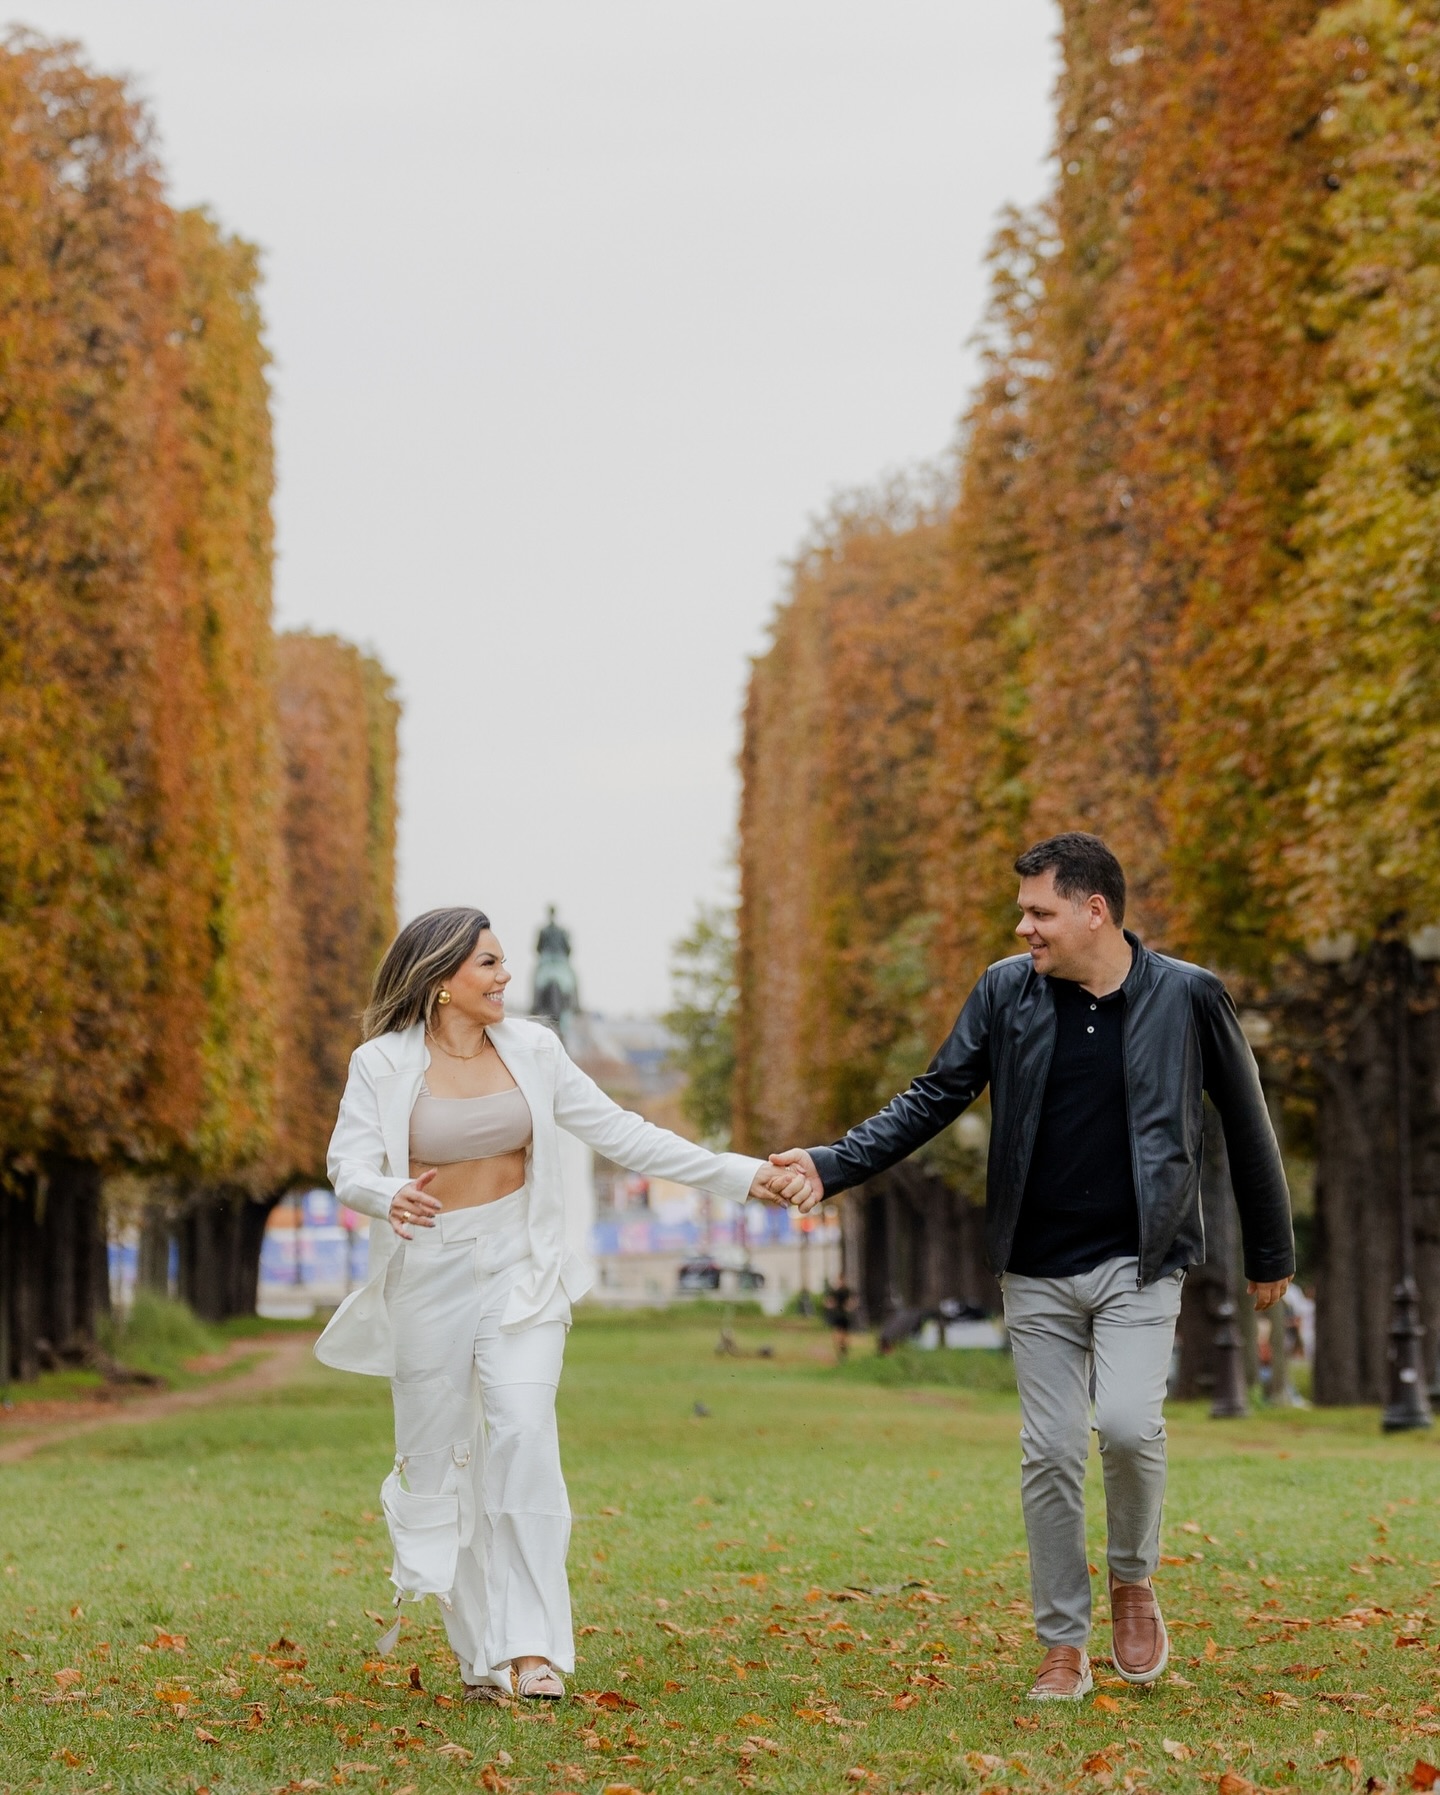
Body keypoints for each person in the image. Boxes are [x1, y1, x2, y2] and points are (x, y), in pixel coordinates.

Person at [772, 834, 1293, 1703]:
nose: (1024, 927)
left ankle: (1132, 1580)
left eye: (1039, 910)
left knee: (1127, 1425)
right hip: (1038, 1268)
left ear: (1096, 910)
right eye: (1023, 911)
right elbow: (934, 1094)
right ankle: (1062, 1641)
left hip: (1143, 1258)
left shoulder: (1190, 996)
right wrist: (833, 1164)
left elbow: (1245, 1118)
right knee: (1050, 1449)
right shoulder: (1004, 992)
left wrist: (1271, 1248)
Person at [315, 907, 806, 1702]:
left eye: (504, 961)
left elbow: (624, 1133)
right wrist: (387, 1193)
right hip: (432, 1275)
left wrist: (740, 1173)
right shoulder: (380, 1063)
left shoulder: (536, 1050)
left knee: (523, 1433)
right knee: (444, 1467)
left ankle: (533, 1647)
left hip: (523, 1270)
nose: (506, 975)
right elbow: (347, 1164)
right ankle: (482, 1653)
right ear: (443, 981)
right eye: (487, 964)